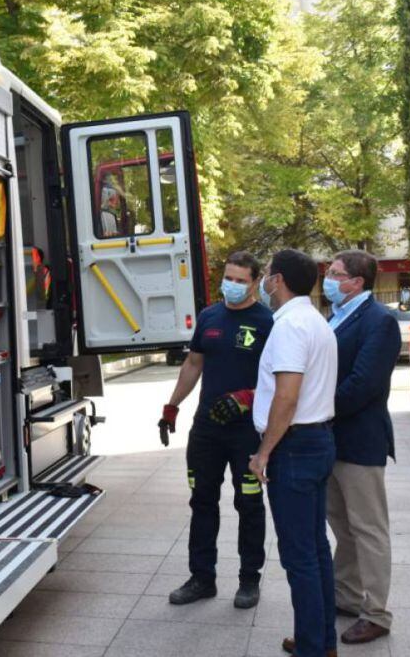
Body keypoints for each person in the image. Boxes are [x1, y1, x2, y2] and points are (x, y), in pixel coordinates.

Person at [159, 251, 273, 608]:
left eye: (241, 280)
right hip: (207, 429)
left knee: (249, 504)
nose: (233, 285)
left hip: (247, 432)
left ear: (256, 282)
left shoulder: (268, 321)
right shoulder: (210, 316)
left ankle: (249, 580)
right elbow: (194, 364)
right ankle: (202, 579)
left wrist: (248, 397)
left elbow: (279, 378)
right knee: (202, 501)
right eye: (229, 278)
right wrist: (172, 406)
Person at [248, 249, 338, 657]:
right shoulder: (316, 321)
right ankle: (320, 641)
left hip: (294, 447)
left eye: (266, 274)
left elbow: (286, 396)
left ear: (278, 279)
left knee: (299, 557)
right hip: (316, 441)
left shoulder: (288, 327)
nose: (264, 281)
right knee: (316, 550)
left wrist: (264, 451)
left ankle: (312, 649)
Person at [322, 250, 400, 645]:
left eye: (336, 274)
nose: (329, 280)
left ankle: (377, 613)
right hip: (331, 440)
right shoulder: (336, 316)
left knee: (369, 529)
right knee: (343, 526)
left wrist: (321, 409)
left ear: (357, 281)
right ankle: (348, 596)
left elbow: (364, 383)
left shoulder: (379, 321)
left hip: (360, 439)